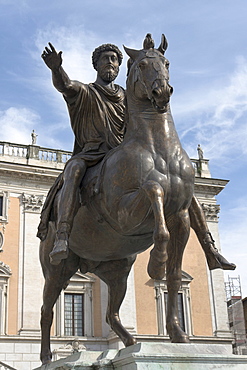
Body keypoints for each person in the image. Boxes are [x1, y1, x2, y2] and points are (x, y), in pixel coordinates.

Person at [37, 42, 235, 271]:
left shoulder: (127, 96)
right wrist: (56, 69)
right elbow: (66, 86)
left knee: (180, 186)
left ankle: (210, 248)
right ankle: (62, 234)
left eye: (114, 59)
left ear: (120, 67)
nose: (110, 63)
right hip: (92, 153)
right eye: (105, 59)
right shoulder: (86, 92)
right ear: (96, 65)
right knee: (73, 170)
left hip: (126, 158)